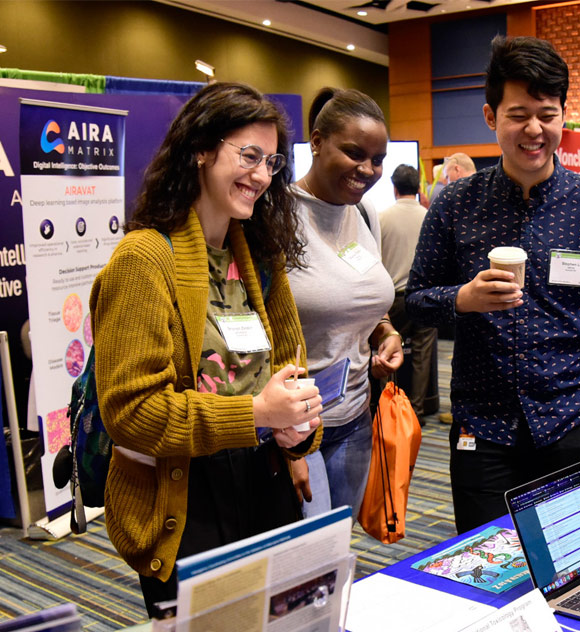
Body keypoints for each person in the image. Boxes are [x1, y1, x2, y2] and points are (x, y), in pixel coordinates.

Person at [90, 82, 322, 616]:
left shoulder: (261, 257)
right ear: (200, 149)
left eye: (271, 162)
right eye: (247, 156)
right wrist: (256, 413)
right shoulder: (144, 259)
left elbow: (292, 368)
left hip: (266, 484)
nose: (262, 175)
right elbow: (130, 414)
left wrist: (297, 428)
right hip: (187, 496)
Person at [406, 35, 580, 534]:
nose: (533, 129)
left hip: (568, 420)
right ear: (491, 117)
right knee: (485, 570)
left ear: (563, 116)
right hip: (482, 426)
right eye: (518, 114)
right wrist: (463, 299)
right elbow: (415, 304)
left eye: (547, 113)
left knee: (573, 567)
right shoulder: (454, 205)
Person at [288, 87, 403, 520]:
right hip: (296, 426)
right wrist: (286, 440)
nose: (367, 169)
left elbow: (365, 298)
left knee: (339, 547)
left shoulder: (366, 213)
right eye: (354, 153)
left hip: (355, 414)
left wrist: (386, 332)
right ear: (316, 142)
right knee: (309, 557)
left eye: (377, 160)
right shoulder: (274, 214)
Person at [379, 165, 437, 418]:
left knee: (388, 352)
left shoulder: (381, 218)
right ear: (417, 188)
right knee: (423, 355)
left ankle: (389, 409)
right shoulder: (430, 215)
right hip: (426, 296)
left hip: (393, 300)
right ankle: (417, 410)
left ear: (394, 188)